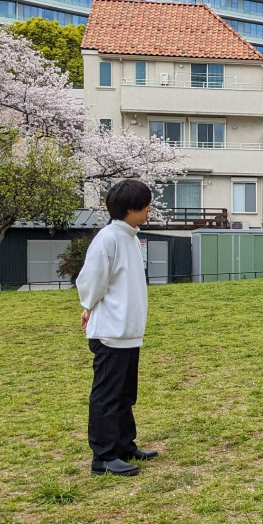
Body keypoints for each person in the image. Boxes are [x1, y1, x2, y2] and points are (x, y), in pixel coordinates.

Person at [76, 179, 158, 477]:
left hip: (128, 333)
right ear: (129, 208)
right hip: (110, 332)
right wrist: (88, 305)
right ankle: (103, 457)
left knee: (125, 395)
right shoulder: (108, 238)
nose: (150, 208)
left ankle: (125, 445)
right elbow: (90, 280)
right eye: (145, 203)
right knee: (107, 396)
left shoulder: (131, 237)